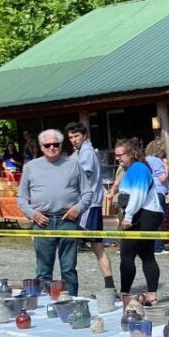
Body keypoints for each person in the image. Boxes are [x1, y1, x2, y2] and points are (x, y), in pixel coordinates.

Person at [19, 129, 89, 295]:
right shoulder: (31, 167)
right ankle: (44, 304)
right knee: (43, 270)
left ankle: (72, 304)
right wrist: (31, 213)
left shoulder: (73, 165)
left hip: (68, 221)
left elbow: (88, 193)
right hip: (42, 221)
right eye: (47, 145)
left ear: (60, 145)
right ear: (41, 147)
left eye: (55, 144)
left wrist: (78, 209)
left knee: (69, 268)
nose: (52, 147)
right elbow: (21, 197)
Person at [112, 138, 161, 305]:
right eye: (116, 155)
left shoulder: (138, 168)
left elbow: (138, 195)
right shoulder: (131, 169)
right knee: (146, 254)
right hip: (146, 213)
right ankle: (152, 295)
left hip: (144, 214)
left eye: (121, 155)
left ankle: (125, 293)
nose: (118, 158)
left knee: (127, 253)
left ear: (131, 154)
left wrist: (128, 217)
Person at [66, 122, 114, 291]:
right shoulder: (78, 152)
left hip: (89, 205)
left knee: (96, 246)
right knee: (77, 245)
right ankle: (108, 286)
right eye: (71, 137)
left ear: (84, 136)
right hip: (82, 205)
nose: (73, 140)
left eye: (76, 136)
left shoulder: (86, 151)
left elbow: (83, 174)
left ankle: (109, 286)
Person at [144, 137, 169, 254]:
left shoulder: (146, 159)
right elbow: (163, 178)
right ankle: (158, 247)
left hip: (149, 192)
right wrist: (167, 167)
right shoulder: (156, 160)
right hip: (159, 192)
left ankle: (149, 246)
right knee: (158, 221)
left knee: (150, 220)